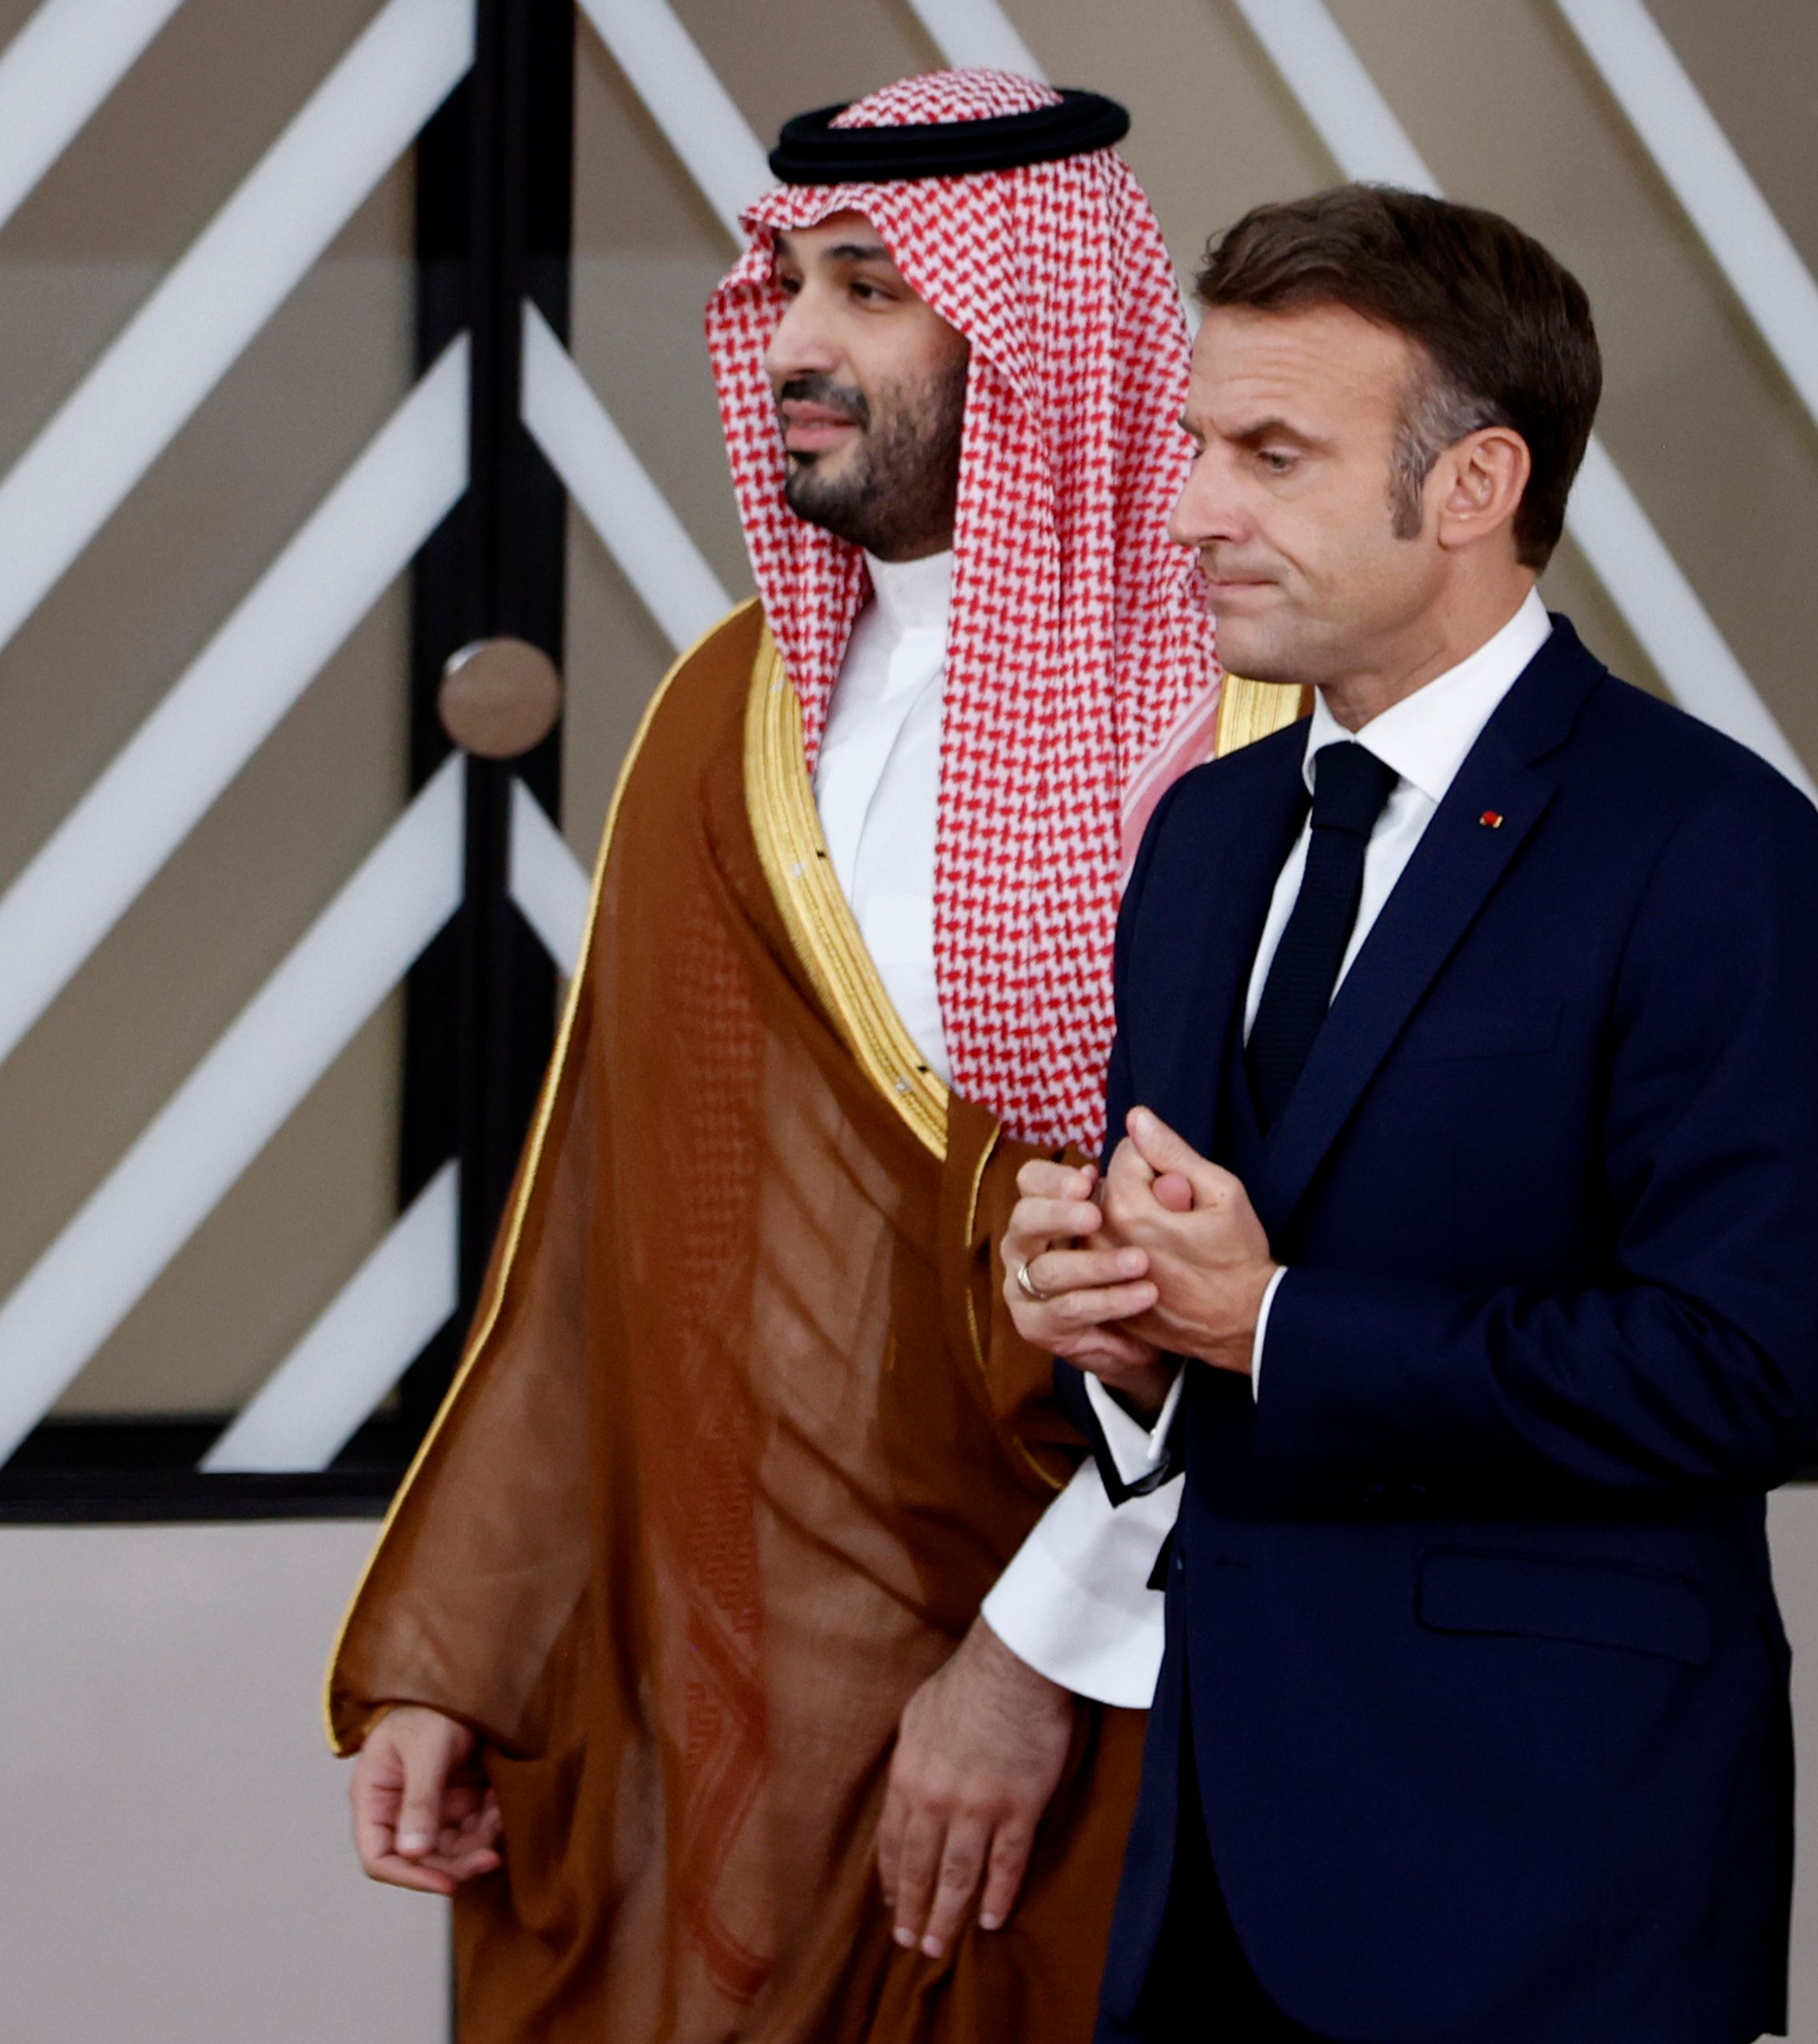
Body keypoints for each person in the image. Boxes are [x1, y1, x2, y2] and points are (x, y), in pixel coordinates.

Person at [328, 72, 1265, 2041]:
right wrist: (471, 1648)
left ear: (1026, 328)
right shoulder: (728, 706)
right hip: (760, 1674)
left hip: (1149, 1664)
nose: (801, 347)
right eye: (791, 287)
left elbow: (1295, 1268)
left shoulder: (1248, 721)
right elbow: (611, 1226)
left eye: (872, 289)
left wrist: (1038, 1650)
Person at [1001, 184, 1818, 2042]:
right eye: (1194, 444)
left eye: (1272, 454)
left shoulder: (1709, 842)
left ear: (1475, 487)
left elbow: (1732, 1365)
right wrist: (1116, 1328)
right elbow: (1201, 1314)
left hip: (1560, 1877)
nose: (1191, 507)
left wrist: (1272, 1318)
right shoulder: (1204, 836)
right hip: (1216, 1865)